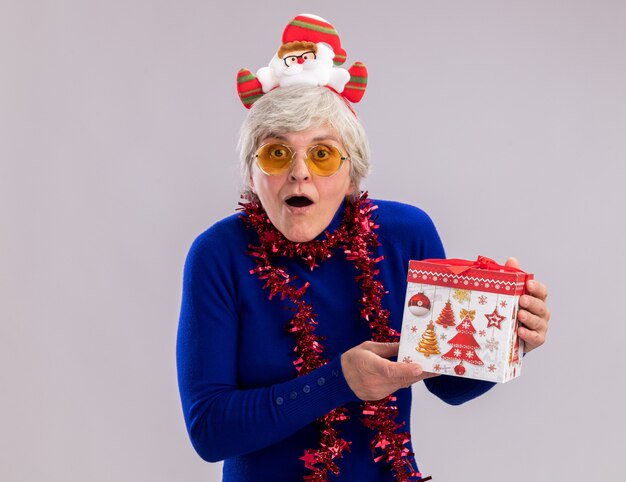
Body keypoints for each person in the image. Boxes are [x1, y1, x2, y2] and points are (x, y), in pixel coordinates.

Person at [176, 14, 550, 482]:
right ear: (252, 176)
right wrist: (340, 381)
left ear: (352, 173)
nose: (300, 173)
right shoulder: (218, 255)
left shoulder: (405, 234)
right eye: (276, 153)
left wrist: (508, 340)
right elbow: (209, 430)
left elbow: (449, 385)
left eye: (322, 153)